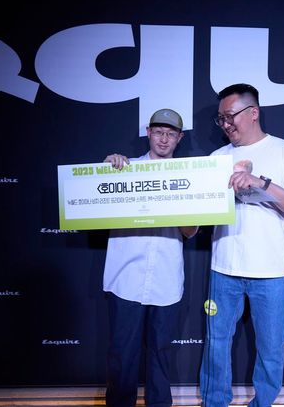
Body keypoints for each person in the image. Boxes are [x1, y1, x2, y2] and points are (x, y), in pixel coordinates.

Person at [199, 83, 284, 407]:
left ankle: (263, 403)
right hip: (223, 269)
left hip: (271, 272)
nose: (225, 124)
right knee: (216, 344)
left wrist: (260, 183)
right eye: (220, 119)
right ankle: (214, 403)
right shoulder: (217, 158)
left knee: (271, 349)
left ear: (253, 113)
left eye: (230, 116)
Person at [102, 108, 198, 407]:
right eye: (158, 132)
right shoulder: (123, 170)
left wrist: (176, 206)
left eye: (170, 134)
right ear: (148, 133)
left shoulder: (189, 177)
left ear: (179, 138)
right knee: (122, 355)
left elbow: (190, 231)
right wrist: (102, 172)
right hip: (126, 278)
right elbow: (97, 206)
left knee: (161, 354)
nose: (164, 139)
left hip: (166, 280)